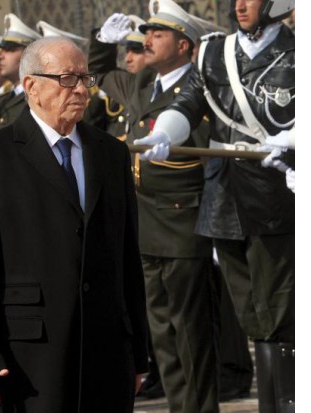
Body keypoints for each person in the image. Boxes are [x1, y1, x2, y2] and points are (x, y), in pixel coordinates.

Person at [0, 37, 148, 413]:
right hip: (26, 358)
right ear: (31, 85)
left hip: (105, 352)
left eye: (85, 79)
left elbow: (127, 260)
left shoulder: (111, 154)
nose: (80, 89)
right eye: (67, 78)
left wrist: (137, 351)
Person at [135, 0, 295, 411]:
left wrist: (294, 142)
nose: (239, 5)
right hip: (224, 200)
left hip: (275, 198)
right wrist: (165, 132)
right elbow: (189, 102)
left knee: (279, 315)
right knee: (252, 316)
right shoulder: (213, 52)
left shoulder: (298, 53)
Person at [94, 5, 220, 411]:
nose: (147, 40)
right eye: (146, 33)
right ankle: (180, 405)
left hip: (183, 217)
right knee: (161, 328)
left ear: (183, 45)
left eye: (158, 34)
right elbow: (97, 76)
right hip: (144, 220)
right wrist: (102, 43)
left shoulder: (201, 89)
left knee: (190, 328)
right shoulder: (142, 83)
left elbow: (205, 157)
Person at [0, 13, 41, 135]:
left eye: (9, 49)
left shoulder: (36, 98)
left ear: (28, 55)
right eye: (1, 50)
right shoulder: (3, 98)